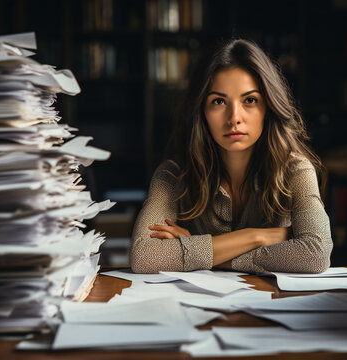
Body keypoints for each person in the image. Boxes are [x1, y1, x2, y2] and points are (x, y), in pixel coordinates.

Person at [130, 39, 332, 274]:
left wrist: (199, 249)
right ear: (201, 112)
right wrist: (257, 236)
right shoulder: (174, 174)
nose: (234, 117)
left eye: (250, 100)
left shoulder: (296, 170)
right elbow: (145, 256)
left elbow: (315, 255)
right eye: (218, 101)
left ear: (268, 107)